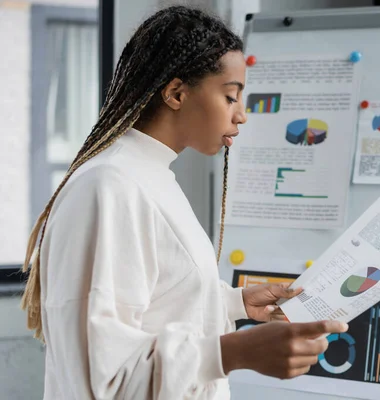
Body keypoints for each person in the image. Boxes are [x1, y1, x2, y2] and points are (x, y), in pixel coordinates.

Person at [20, 6, 348, 400]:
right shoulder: (110, 185)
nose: (242, 116)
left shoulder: (151, 176)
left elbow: (156, 301)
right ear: (176, 93)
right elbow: (102, 375)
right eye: (231, 97)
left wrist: (233, 302)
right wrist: (235, 351)